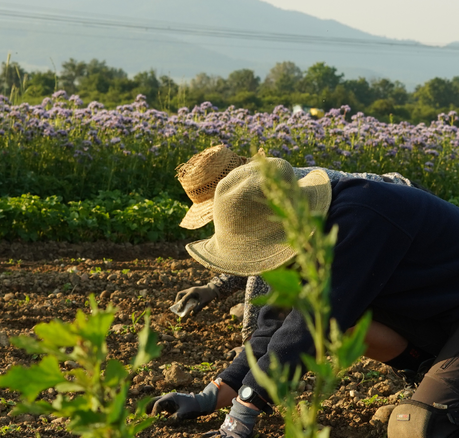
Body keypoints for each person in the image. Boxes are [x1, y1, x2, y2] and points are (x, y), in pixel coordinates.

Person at [150, 158, 459, 438]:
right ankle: (433, 383)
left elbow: (317, 318)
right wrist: (217, 393)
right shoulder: (309, 228)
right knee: (335, 329)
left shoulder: (360, 218)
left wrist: (248, 407)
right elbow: (278, 321)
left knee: (426, 433)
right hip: (442, 320)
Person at [169, 144, 418, 341]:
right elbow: (253, 253)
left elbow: (264, 264)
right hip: (380, 215)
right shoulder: (257, 190)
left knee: (376, 306)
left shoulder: (275, 192)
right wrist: (214, 287)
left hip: (402, 208)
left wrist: (252, 341)